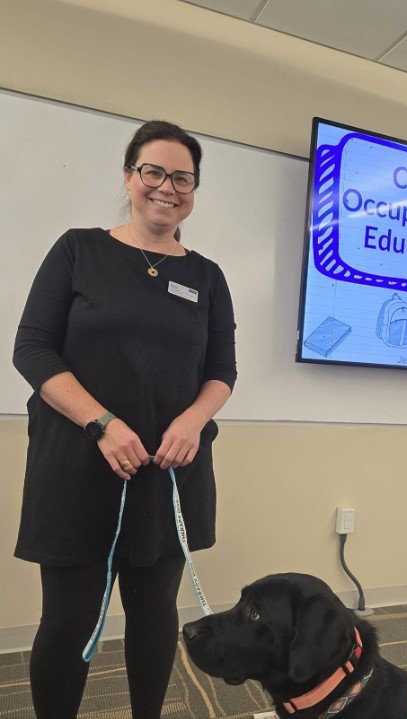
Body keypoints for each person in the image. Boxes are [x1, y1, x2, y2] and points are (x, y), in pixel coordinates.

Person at [13, 120, 237, 718]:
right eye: (153, 171)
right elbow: (32, 349)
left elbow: (222, 371)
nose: (167, 186)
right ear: (129, 177)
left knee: (154, 611)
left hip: (168, 471)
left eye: (182, 176)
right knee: (68, 620)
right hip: (78, 467)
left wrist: (192, 421)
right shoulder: (77, 249)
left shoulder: (207, 276)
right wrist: (102, 424)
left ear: (194, 187)